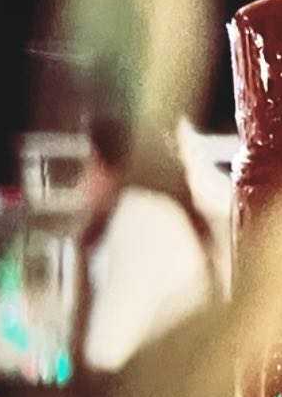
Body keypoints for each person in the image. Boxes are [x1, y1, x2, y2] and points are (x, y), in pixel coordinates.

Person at [74, 113, 215, 375]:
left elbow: (105, 352)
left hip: (164, 391)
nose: (82, 186)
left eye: (87, 165)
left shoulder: (143, 216)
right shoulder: (158, 212)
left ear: (107, 167)